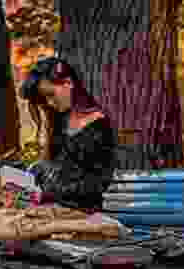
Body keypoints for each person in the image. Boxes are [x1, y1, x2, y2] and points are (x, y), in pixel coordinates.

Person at [17, 56, 119, 210]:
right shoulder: (61, 121)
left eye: (51, 94)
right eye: (45, 99)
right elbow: (61, 167)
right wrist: (37, 171)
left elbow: (97, 185)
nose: (50, 103)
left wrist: (51, 193)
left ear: (68, 83)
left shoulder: (98, 126)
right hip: (52, 208)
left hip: (82, 213)